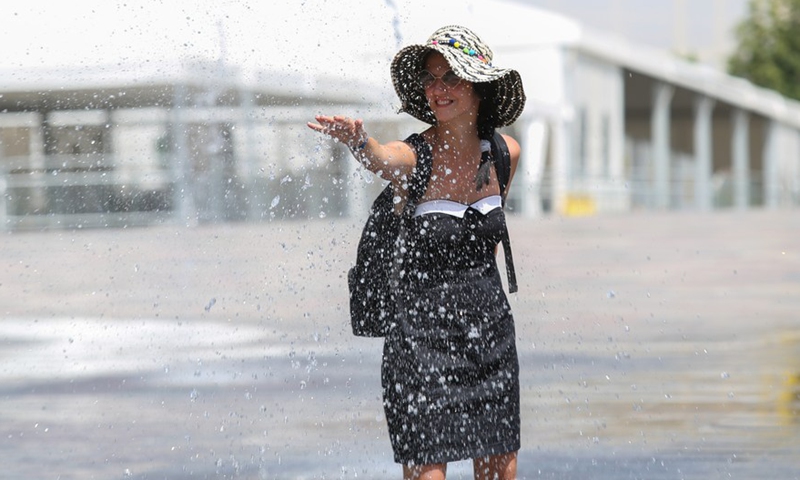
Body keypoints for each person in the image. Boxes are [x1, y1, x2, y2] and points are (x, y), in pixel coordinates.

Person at [308, 25, 525, 480]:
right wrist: (358, 141)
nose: (437, 89)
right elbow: (382, 158)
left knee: (501, 466)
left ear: (479, 86)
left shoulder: (506, 153)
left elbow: (485, 236)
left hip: (489, 330)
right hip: (421, 337)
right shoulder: (415, 156)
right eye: (431, 79)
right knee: (429, 471)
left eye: (451, 77)